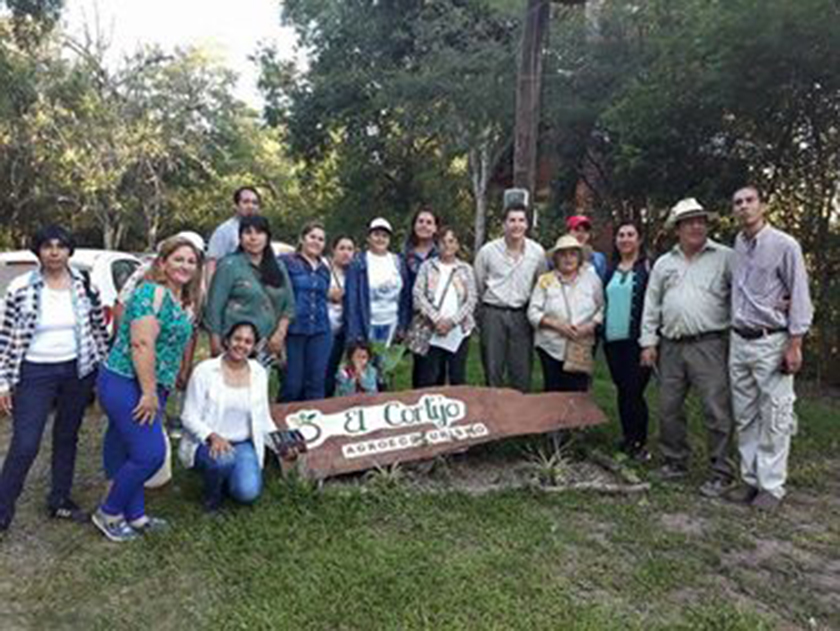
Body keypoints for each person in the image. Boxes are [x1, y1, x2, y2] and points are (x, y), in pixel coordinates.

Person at [92, 235, 202, 542]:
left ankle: (136, 515)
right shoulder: (150, 293)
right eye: (178, 259)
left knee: (126, 447)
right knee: (150, 453)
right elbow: (141, 344)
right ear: (162, 263)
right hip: (127, 381)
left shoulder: (182, 299)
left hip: (153, 384)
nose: (185, 266)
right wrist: (149, 393)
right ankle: (109, 512)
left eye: (191, 261)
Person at [0, 226, 109, 533]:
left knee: (66, 436)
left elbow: (99, 331)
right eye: (47, 246)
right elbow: (4, 338)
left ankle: (59, 499)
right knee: (25, 443)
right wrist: (3, 382)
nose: (54, 252)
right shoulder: (21, 287)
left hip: (77, 371)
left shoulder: (85, 285)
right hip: (35, 372)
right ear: (38, 251)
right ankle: (2, 509)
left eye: (61, 246)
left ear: (69, 251)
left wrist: (103, 373)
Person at [639, 198, 735, 497]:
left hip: (709, 344)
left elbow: (746, 293)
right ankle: (674, 461)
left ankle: (721, 472)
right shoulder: (664, 263)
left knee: (716, 409)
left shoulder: (726, 257)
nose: (696, 226)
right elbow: (652, 304)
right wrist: (648, 342)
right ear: (677, 228)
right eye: (689, 222)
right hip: (670, 346)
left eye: (700, 221)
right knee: (668, 407)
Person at [727, 185, 813, 511]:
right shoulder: (738, 245)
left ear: (762, 206)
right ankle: (750, 479)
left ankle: (772, 487)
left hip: (771, 340)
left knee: (775, 415)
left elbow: (799, 295)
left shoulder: (785, 245)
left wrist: (795, 343)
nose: (744, 206)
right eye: (738, 202)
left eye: (750, 200)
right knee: (745, 415)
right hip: (739, 339)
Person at [179, 322, 276, 513]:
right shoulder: (205, 370)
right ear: (227, 340)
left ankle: (225, 478)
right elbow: (188, 416)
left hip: (242, 444)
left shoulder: (259, 373)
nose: (241, 345)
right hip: (206, 442)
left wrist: (280, 443)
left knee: (247, 492)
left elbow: (263, 417)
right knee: (223, 460)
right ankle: (212, 501)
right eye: (237, 339)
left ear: (254, 347)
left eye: (248, 341)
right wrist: (212, 436)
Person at [474, 194, 547, 392]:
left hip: (522, 315)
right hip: (493, 313)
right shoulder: (488, 251)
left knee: (521, 370)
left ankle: (520, 408)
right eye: (512, 220)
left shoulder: (537, 253)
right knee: (492, 367)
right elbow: (479, 283)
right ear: (504, 224)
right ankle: (493, 406)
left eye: (521, 220)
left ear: (527, 224)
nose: (516, 225)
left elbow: (541, 283)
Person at [205, 216, 295, 367]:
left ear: (267, 237)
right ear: (240, 238)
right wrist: (215, 343)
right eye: (248, 232)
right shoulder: (229, 265)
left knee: (259, 381)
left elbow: (289, 305)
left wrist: (280, 334)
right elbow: (214, 306)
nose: (253, 238)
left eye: (259, 233)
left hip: (266, 346)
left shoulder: (279, 267)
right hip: (235, 344)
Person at [602, 221, 653, 460]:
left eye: (630, 235)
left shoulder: (647, 269)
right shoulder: (610, 270)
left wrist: (650, 342)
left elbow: (653, 305)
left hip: (637, 342)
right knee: (622, 390)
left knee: (634, 391)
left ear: (639, 239)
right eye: (621, 235)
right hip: (613, 341)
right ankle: (627, 437)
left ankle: (640, 442)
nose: (625, 239)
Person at [528, 234, 603, 392]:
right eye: (563, 254)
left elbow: (602, 307)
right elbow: (533, 312)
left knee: (578, 394)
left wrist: (590, 325)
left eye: (572, 254)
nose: (568, 258)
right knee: (553, 393)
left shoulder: (592, 280)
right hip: (550, 346)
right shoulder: (545, 280)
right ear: (556, 258)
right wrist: (556, 325)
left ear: (579, 257)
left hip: (580, 346)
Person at [409, 227, 477, 387]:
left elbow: (472, 299)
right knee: (429, 377)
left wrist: (452, 322)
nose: (447, 245)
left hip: (458, 331)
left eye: (451, 241)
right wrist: (437, 320)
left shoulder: (466, 269)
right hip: (431, 329)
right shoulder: (427, 267)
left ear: (457, 245)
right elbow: (418, 295)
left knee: (457, 376)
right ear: (437, 244)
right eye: (443, 241)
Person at [279, 221, 332, 402]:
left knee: (316, 383)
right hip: (294, 330)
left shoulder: (325, 270)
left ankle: (314, 417)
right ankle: (283, 417)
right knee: (292, 385)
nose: (316, 242)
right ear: (302, 239)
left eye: (321, 239)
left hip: (320, 330)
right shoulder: (287, 262)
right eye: (312, 237)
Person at [344, 217, 411, 348]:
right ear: (369, 238)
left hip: (392, 324)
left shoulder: (398, 262)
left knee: (387, 361)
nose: (380, 239)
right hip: (368, 325)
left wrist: (403, 326)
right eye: (376, 235)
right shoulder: (359, 262)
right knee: (368, 360)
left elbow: (405, 296)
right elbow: (352, 301)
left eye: (384, 236)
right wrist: (355, 333)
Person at [403, 207, 440, 387]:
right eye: (421, 221)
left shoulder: (442, 254)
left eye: (429, 222)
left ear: (435, 228)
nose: (424, 225)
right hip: (416, 318)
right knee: (420, 369)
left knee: (437, 367)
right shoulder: (405, 255)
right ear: (414, 225)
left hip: (439, 317)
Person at [205, 186, 262, 282]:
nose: (251, 206)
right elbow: (212, 264)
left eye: (254, 202)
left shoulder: (262, 231)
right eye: (246, 202)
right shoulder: (224, 231)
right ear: (236, 206)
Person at [324, 235, 355, 397]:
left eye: (350, 249)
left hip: (340, 330)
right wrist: (327, 293)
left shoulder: (352, 273)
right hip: (322, 329)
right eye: (342, 248)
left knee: (331, 370)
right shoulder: (323, 267)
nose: (346, 253)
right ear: (333, 250)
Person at [566, 215, 608, 282]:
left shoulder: (598, 259)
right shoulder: (556, 258)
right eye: (577, 230)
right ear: (568, 232)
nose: (581, 234)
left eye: (585, 231)